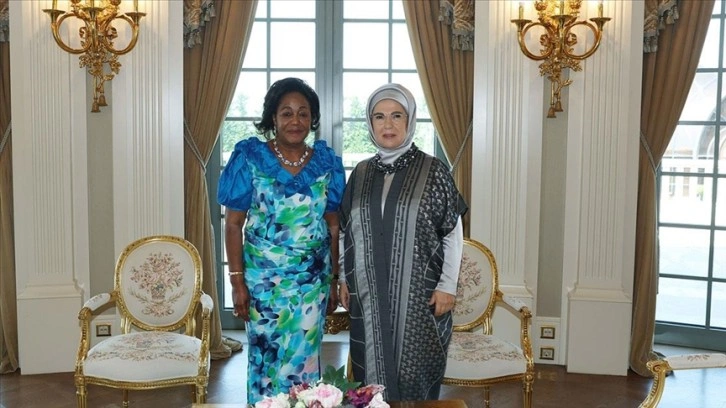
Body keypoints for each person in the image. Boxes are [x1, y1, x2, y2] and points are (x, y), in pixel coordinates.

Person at [217, 77, 345, 405]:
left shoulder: (326, 163)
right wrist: (237, 282)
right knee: (265, 359)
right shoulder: (250, 158)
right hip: (263, 283)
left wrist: (333, 279)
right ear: (272, 118)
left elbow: (333, 226)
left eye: (303, 113)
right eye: (286, 113)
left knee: (305, 361)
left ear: (312, 119)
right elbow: (233, 224)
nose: (295, 121)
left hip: (311, 284)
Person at [338, 83, 468, 401]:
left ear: (410, 121)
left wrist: (447, 286)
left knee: (414, 375)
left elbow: (452, 231)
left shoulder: (433, 170)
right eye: (379, 116)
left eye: (397, 115)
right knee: (369, 378)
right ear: (370, 123)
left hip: (419, 298)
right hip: (367, 296)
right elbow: (345, 230)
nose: (388, 124)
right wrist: (342, 277)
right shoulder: (361, 173)